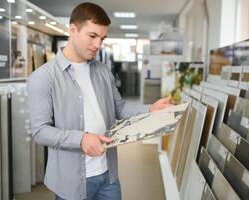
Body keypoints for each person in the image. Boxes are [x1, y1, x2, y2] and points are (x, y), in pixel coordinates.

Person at [27, 2, 173, 200]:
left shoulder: (102, 70)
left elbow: (119, 108)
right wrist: (81, 138)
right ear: (73, 29)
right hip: (72, 180)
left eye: (102, 38)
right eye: (92, 36)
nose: (98, 45)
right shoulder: (43, 77)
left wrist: (151, 109)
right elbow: (40, 131)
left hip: (108, 175)